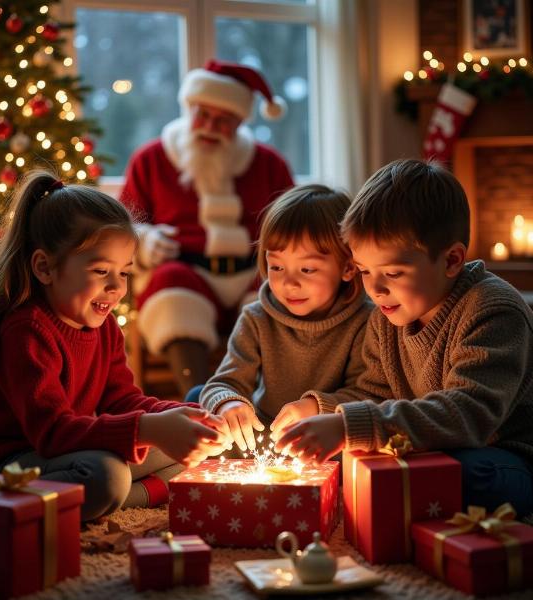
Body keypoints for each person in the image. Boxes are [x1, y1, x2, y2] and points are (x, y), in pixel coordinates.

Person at [0, 170, 231, 522]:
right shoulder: (25, 331)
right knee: (105, 473)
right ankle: (125, 495)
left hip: (55, 452)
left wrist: (182, 418)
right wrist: (149, 429)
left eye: (124, 273)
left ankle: (121, 498)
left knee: (191, 452)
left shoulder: (105, 327)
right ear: (45, 268)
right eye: (100, 271)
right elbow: (53, 432)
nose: (116, 288)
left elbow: (122, 400)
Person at [273, 159, 533, 518]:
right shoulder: (387, 316)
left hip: (503, 454)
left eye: (393, 272)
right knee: (361, 462)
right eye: (364, 271)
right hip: (433, 447)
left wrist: (348, 426)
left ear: (452, 260)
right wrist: (322, 408)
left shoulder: (493, 310)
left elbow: (469, 414)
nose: (376, 289)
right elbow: (375, 393)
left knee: (468, 476)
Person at [120, 59, 294, 396]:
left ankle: (262, 402)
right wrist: (145, 240)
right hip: (187, 273)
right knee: (169, 289)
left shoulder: (268, 164)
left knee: (279, 289)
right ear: (189, 109)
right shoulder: (151, 159)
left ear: (241, 122)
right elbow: (123, 226)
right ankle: (201, 399)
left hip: (252, 272)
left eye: (224, 120)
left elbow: (294, 225)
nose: (210, 127)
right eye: (203, 115)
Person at [197, 184, 371, 453]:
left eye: (307, 269)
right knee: (198, 401)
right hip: (261, 437)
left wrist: (314, 407)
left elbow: (367, 394)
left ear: (348, 267)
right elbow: (224, 383)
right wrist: (229, 404)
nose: (289, 282)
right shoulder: (256, 318)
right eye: (276, 266)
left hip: (326, 438)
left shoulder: (365, 322)